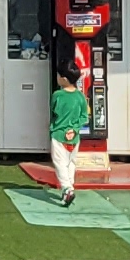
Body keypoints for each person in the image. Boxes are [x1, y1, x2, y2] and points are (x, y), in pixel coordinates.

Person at [47, 61, 91, 206]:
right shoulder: (80, 97)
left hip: (58, 134)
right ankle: (70, 186)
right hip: (75, 136)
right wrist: (75, 129)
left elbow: (54, 111)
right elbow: (84, 117)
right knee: (71, 162)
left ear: (64, 79)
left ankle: (67, 189)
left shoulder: (57, 95)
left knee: (59, 163)